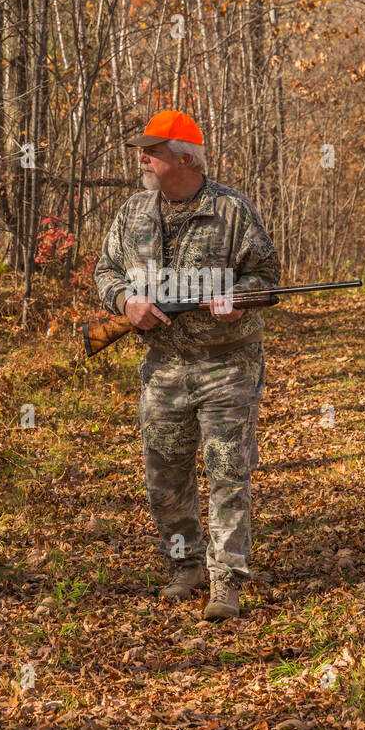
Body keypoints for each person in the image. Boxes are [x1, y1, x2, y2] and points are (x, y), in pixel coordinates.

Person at [94, 109, 280, 620]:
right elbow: (105, 269)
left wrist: (239, 299)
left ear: (183, 157)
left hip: (227, 366)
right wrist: (125, 304)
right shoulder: (133, 212)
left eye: (151, 151)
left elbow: (267, 276)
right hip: (163, 367)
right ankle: (186, 567)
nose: (142, 158)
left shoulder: (231, 209)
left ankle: (226, 581)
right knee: (165, 475)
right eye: (142, 149)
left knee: (227, 472)